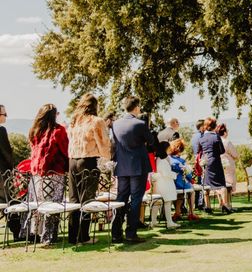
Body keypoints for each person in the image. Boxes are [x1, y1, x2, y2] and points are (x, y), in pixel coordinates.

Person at [67, 93, 112, 244]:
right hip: (88, 160)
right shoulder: (97, 121)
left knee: (74, 199)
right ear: (95, 106)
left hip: (72, 160)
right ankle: (84, 236)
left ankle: (72, 236)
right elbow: (103, 142)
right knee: (87, 200)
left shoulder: (74, 121)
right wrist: (106, 158)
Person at [111, 96, 155, 244]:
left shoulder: (115, 124)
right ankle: (131, 233)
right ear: (136, 107)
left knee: (121, 199)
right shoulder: (140, 124)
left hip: (122, 167)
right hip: (138, 166)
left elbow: (114, 144)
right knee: (136, 199)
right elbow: (152, 141)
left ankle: (116, 233)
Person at [25, 103, 69, 246]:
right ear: (54, 115)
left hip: (37, 173)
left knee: (40, 204)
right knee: (54, 204)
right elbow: (65, 149)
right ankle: (50, 236)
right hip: (55, 172)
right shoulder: (59, 130)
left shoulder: (34, 130)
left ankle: (36, 234)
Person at [199, 118, 232, 213]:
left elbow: (200, 150)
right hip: (216, 161)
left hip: (206, 162)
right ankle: (225, 205)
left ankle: (208, 206)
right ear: (214, 126)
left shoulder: (202, 138)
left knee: (206, 184)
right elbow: (222, 151)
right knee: (221, 184)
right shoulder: (216, 137)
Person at [150, 141, 180, 228]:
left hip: (161, 183)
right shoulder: (162, 160)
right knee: (167, 202)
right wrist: (175, 175)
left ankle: (154, 221)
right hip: (165, 183)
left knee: (157, 203)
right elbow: (166, 173)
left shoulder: (159, 159)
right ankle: (169, 222)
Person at [168, 138, 199, 221]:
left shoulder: (168, 159)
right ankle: (191, 212)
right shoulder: (181, 161)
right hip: (180, 184)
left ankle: (177, 212)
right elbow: (187, 173)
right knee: (191, 191)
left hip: (171, 184)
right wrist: (192, 179)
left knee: (180, 194)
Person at [217, 123, 239, 210]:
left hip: (219, 165)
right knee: (228, 186)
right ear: (225, 132)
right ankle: (228, 205)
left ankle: (222, 204)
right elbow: (235, 155)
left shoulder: (216, 142)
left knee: (222, 185)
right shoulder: (227, 142)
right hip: (228, 165)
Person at [0, 104, 14, 202]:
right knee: (7, 201)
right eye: (5, 114)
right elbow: (6, 152)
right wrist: (12, 168)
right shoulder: (1, 130)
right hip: (2, 173)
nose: (6, 116)